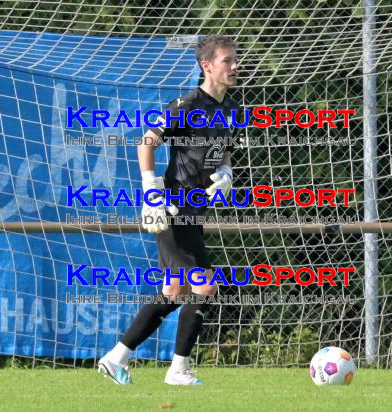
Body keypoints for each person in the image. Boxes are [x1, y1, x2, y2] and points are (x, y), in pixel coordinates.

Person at [98, 34, 241, 386]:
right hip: (174, 208)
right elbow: (147, 142)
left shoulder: (232, 110)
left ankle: (116, 358)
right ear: (207, 66)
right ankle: (178, 370)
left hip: (196, 210)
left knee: (175, 292)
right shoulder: (187, 103)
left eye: (235, 60)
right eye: (228, 61)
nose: (235, 66)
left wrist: (226, 172)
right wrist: (150, 192)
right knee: (206, 288)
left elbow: (224, 151)